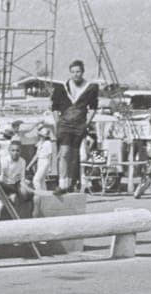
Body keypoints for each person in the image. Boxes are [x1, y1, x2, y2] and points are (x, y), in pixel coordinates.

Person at [50, 59, 100, 194]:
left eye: (78, 72)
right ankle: (62, 184)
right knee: (64, 152)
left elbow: (93, 108)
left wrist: (86, 123)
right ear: (70, 73)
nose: (75, 74)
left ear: (82, 72)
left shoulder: (90, 88)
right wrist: (58, 122)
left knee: (74, 154)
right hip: (65, 124)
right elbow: (54, 107)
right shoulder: (62, 87)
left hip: (79, 125)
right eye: (73, 72)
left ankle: (71, 183)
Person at [0, 136, 36, 219]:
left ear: (20, 151)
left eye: (17, 150)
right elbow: (0, 179)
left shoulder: (22, 161)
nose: (15, 153)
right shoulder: (4, 161)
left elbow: (22, 179)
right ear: (9, 151)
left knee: (26, 194)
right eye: (13, 150)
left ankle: (25, 216)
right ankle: (7, 214)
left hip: (14, 185)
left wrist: (27, 189)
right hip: (4, 185)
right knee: (13, 197)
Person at [33, 124, 56, 191]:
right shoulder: (40, 143)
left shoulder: (48, 143)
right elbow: (37, 155)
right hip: (40, 161)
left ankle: (40, 193)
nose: (40, 137)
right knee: (42, 180)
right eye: (40, 135)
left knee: (36, 180)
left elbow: (50, 155)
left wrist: (50, 167)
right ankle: (45, 193)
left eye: (41, 136)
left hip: (45, 161)